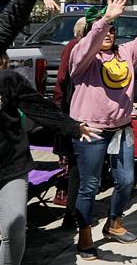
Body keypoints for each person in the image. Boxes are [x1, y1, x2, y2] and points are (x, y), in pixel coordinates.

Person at [68, 0, 137, 259]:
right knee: (90, 185)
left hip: (121, 128)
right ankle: (85, 235)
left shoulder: (125, 53)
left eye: (112, 30)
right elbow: (86, 46)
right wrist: (103, 19)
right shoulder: (82, 58)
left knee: (127, 181)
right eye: (104, 29)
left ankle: (114, 222)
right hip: (90, 129)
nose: (108, 34)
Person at [0, 58, 100, 265]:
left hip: (10, 165)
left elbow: (39, 108)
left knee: (14, 230)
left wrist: (73, 127)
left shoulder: (5, 79)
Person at [51, 16, 87, 229]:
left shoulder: (79, 47)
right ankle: (71, 214)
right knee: (74, 166)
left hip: (71, 113)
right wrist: (58, 114)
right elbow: (61, 81)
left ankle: (72, 210)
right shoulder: (74, 48)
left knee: (75, 166)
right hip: (70, 114)